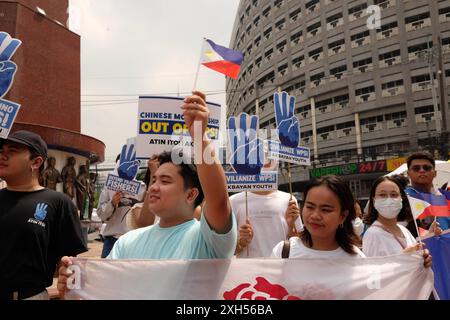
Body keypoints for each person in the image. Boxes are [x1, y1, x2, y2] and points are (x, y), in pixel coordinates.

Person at [58, 91, 237, 297]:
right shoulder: (127, 242)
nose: (153, 187)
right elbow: (105, 292)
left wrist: (199, 136)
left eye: (165, 181)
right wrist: (74, 285)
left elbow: (219, 201)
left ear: (191, 194)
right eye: (154, 180)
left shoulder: (207, 241)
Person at [0, 130, 87, 300]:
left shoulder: (58, 202)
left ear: (36, 162)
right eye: (1, 151)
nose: (3, 156)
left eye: (12, 151)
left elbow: (69, 264)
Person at [272, 175, 365, 259]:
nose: (315, 216)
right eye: (310, 207)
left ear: (343, 216)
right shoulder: (283, 252)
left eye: (325, 210)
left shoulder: (357, 259)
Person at [362, 176, 432, 268]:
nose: (389, 200)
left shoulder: (404, 230)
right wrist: (402, 257)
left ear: (401, 198)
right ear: (374, 199)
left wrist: (424, 258)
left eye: (394, 195)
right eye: (382, 195)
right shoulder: (373, 234)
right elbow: (373, 275)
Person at [231, 189, 303, 258]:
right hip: (248, 268)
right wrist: (242, 243)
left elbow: (299, 245)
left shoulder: (289, 200)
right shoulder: (234, 201)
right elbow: (225, 251)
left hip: (281, 267)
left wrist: (291, 226)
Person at [96, 165, 146, 258]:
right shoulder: (108, 187)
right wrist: (112, 203)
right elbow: (101, 215)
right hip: (112, 240)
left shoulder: (141, 188)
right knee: (106, 271)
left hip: (135, 240)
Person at [405, 151, 448, 232]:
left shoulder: (444, 198)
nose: (421, 171)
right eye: (416, 168)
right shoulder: (402, 198)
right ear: (408, 174)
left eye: (427, 168)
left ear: (435, 173)